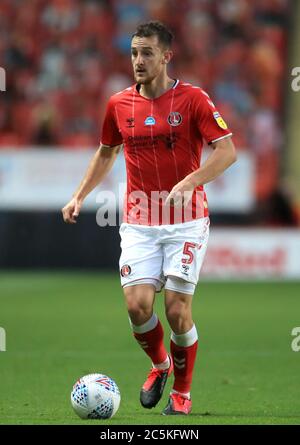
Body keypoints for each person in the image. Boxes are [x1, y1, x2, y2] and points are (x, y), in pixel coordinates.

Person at [62, 21, 236, 415]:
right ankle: (160, 365)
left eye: (147, 54)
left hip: (186, 220)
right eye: (134, 53)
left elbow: (227, 151)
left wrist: (190, 182)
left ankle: (182, 393)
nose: (138, 61)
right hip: (140, 221)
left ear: (166, 57)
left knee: (176, 309)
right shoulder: (118, 104)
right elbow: (106, 151)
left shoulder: (193, 99)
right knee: (138, 307)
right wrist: (78, 196)